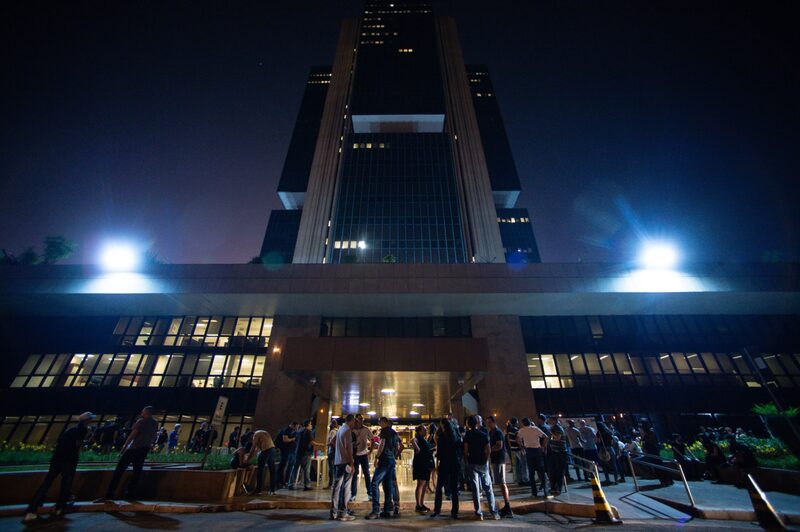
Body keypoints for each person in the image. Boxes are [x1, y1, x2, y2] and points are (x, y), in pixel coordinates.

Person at [23, 412, 96, 522]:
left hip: (57, 459)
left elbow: (61, 442)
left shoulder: (70, 430)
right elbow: (77, 446)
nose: (92, 421)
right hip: (69, 461)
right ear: (87, 420)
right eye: (91, 419)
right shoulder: (82, 430)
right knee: (66, 485)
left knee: (46, 484)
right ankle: (60, 508)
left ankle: (31, 510)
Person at [97, 406, 159, 501]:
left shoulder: (141, 421)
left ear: (146, 412)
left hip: (134, 448)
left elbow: (132, 435)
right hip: (144, 449)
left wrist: (124, 447)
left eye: (143, 411)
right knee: (136, 473)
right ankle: (130, 495)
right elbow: (153, 436)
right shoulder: (155, 423)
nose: (141, 412)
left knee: (119, 471)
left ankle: (109, 494)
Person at [462, 415, 500, 520]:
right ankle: (493, 512)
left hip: (472, 463)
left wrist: (467, 460)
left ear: (468, 424)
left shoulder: (467, 435)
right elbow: (488, 450)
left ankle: (478, 513)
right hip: (483, 463)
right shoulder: (483, 435)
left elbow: (465, 451)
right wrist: (486, 460)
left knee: (475, 489)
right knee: (488, 488)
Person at [366, 417, 401, 519]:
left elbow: (382, 443)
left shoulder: (384, 431)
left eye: (379, 421)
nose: (379, 423)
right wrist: (393, 456)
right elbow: (397, 447)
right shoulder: (394, 433)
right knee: (389, 485)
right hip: (391, 461)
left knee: (374, 483)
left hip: (384, 460)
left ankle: (375, 510)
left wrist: (377, 457)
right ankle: (387, 510)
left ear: (384, 422)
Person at [431, 417, 461, 519]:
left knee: (439, 487)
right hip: (455, 464)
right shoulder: (456, 436)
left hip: (444, 464)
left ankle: (437, 510)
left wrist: (437, 464)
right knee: (454, 488)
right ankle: (455, 511)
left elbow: (439, 453)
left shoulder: (442, 437)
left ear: (442, 425)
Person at [330, 414, 356, 521]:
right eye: (354, 421)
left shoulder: (340, 429)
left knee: (336, 487)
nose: (354, 423)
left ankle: (333, 512)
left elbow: (332, 441)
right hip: (345, 463)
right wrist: (351, 462)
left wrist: (339, 451)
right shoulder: (348, 431)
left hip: (338, 461)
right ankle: (343, 513)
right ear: (351, 420)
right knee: (346, 488)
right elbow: (349, 449)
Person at [486, 416, 513, 517]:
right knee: (500, 483)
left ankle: (508, 506)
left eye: (489, 422)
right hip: (495, 460)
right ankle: (506, 506)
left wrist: (489, 450)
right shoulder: (491, 432)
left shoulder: (498, 432)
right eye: (487, 423)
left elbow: (499, 445)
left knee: (502, 483)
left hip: (500, 459)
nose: (488, 424)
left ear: (493, 422)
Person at [517, 417, 548, 498]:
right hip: (537, 451)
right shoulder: (535, 428)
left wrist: (522, 446)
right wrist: (543, 447)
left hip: (529, 451)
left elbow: (517, 438)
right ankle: (546, 491)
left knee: (531, 473)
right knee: (541, 471)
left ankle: (534, 492)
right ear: (530, 422)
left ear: (523, 423)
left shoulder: (522, 430)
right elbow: (546, 437)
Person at [243, 429, 277, 495]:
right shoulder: (263, 432)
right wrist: (251, 458)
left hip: (266, 450)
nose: (251, 440)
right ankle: (273, 490)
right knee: (272, 470)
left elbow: (253, 448)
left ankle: (258, 490)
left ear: (251, 436)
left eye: (251, 439)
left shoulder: (255, 435)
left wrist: (247, 460)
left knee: (260, 470)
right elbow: (256, 450)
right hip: (272, 449)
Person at [641, 423, 672, 487]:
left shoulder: (650, 434)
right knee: (657, 467)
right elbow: (644, 445)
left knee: (659, 466)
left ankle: (667, 480)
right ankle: (663, 480)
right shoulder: (646, 436)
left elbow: (652, 442)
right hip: (651, 452)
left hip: (654, 452)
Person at [411, 424, 433, 513]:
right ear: (420, 431)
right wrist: (417, 448)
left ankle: (421, 503)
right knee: (421, 483)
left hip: (425, 463)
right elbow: (413, 441)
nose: (426, 431)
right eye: (424, 430)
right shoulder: (418, 438)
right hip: (420, 463)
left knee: (424, 483)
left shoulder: (424, 439)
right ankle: (418, 504)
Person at [350, 414, 372, 501]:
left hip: (364, 455)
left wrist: (370, 451)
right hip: (355, 455)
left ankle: (370, 493)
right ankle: (353, 494)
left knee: (366, 474)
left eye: (362, 419)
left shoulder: (366, 429)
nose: (362, 420)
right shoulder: (352, 429)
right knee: (354, 475)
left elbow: (373, 439)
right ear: (356, 419)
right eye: (360, 419)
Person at [288, 419, 314, 491]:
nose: (311, 426)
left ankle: (291, 484)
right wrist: (321, 444)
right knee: (306, 470)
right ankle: (307, 485)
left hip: (297, 453)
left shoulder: (298, 431)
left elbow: (294, 438)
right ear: (308, 425)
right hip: (306, 453)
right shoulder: (308, 432)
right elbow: (312, 442)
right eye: (311, 424)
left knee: (295, 468)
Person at [506, 417, 529, 487]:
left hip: (514, 449)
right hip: (519, 449)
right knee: (523, 465)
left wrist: (511, 447)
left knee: (518, 466)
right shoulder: (516, 430)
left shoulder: (509, 430)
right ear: (516, 422)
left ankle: (519, 480)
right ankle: (525, 479)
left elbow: (508, 439)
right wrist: (522, 447)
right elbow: (518, 439)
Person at [547, 426, 568, 495]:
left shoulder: (559, 431)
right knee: (553, 472)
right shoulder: (552, 435)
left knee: (560, 472)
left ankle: (558, 488)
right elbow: (552, 441)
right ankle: (553, 488)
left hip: (561, 454)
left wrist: (552, 434)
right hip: (554, 453)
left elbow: (558, 439)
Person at [276, 422, 297, 489]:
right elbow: (285, 439)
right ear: (294, 425)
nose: (296, 428)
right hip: (283, 449)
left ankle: (281, 482)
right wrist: (292, 439)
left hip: (285, 450)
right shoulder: (287, 429)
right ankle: (279, 482)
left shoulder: (289, 429)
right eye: (296, 426)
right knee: (282, 466)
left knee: (283, 466)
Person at [326, 420, 339, 489]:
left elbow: (332, 442)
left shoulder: (332, 431)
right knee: (334, 468)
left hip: (332, 452)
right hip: (336, 452)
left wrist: (327, 444)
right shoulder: (338, 431)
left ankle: (331, 484)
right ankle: (334, 484)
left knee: (331, 468)